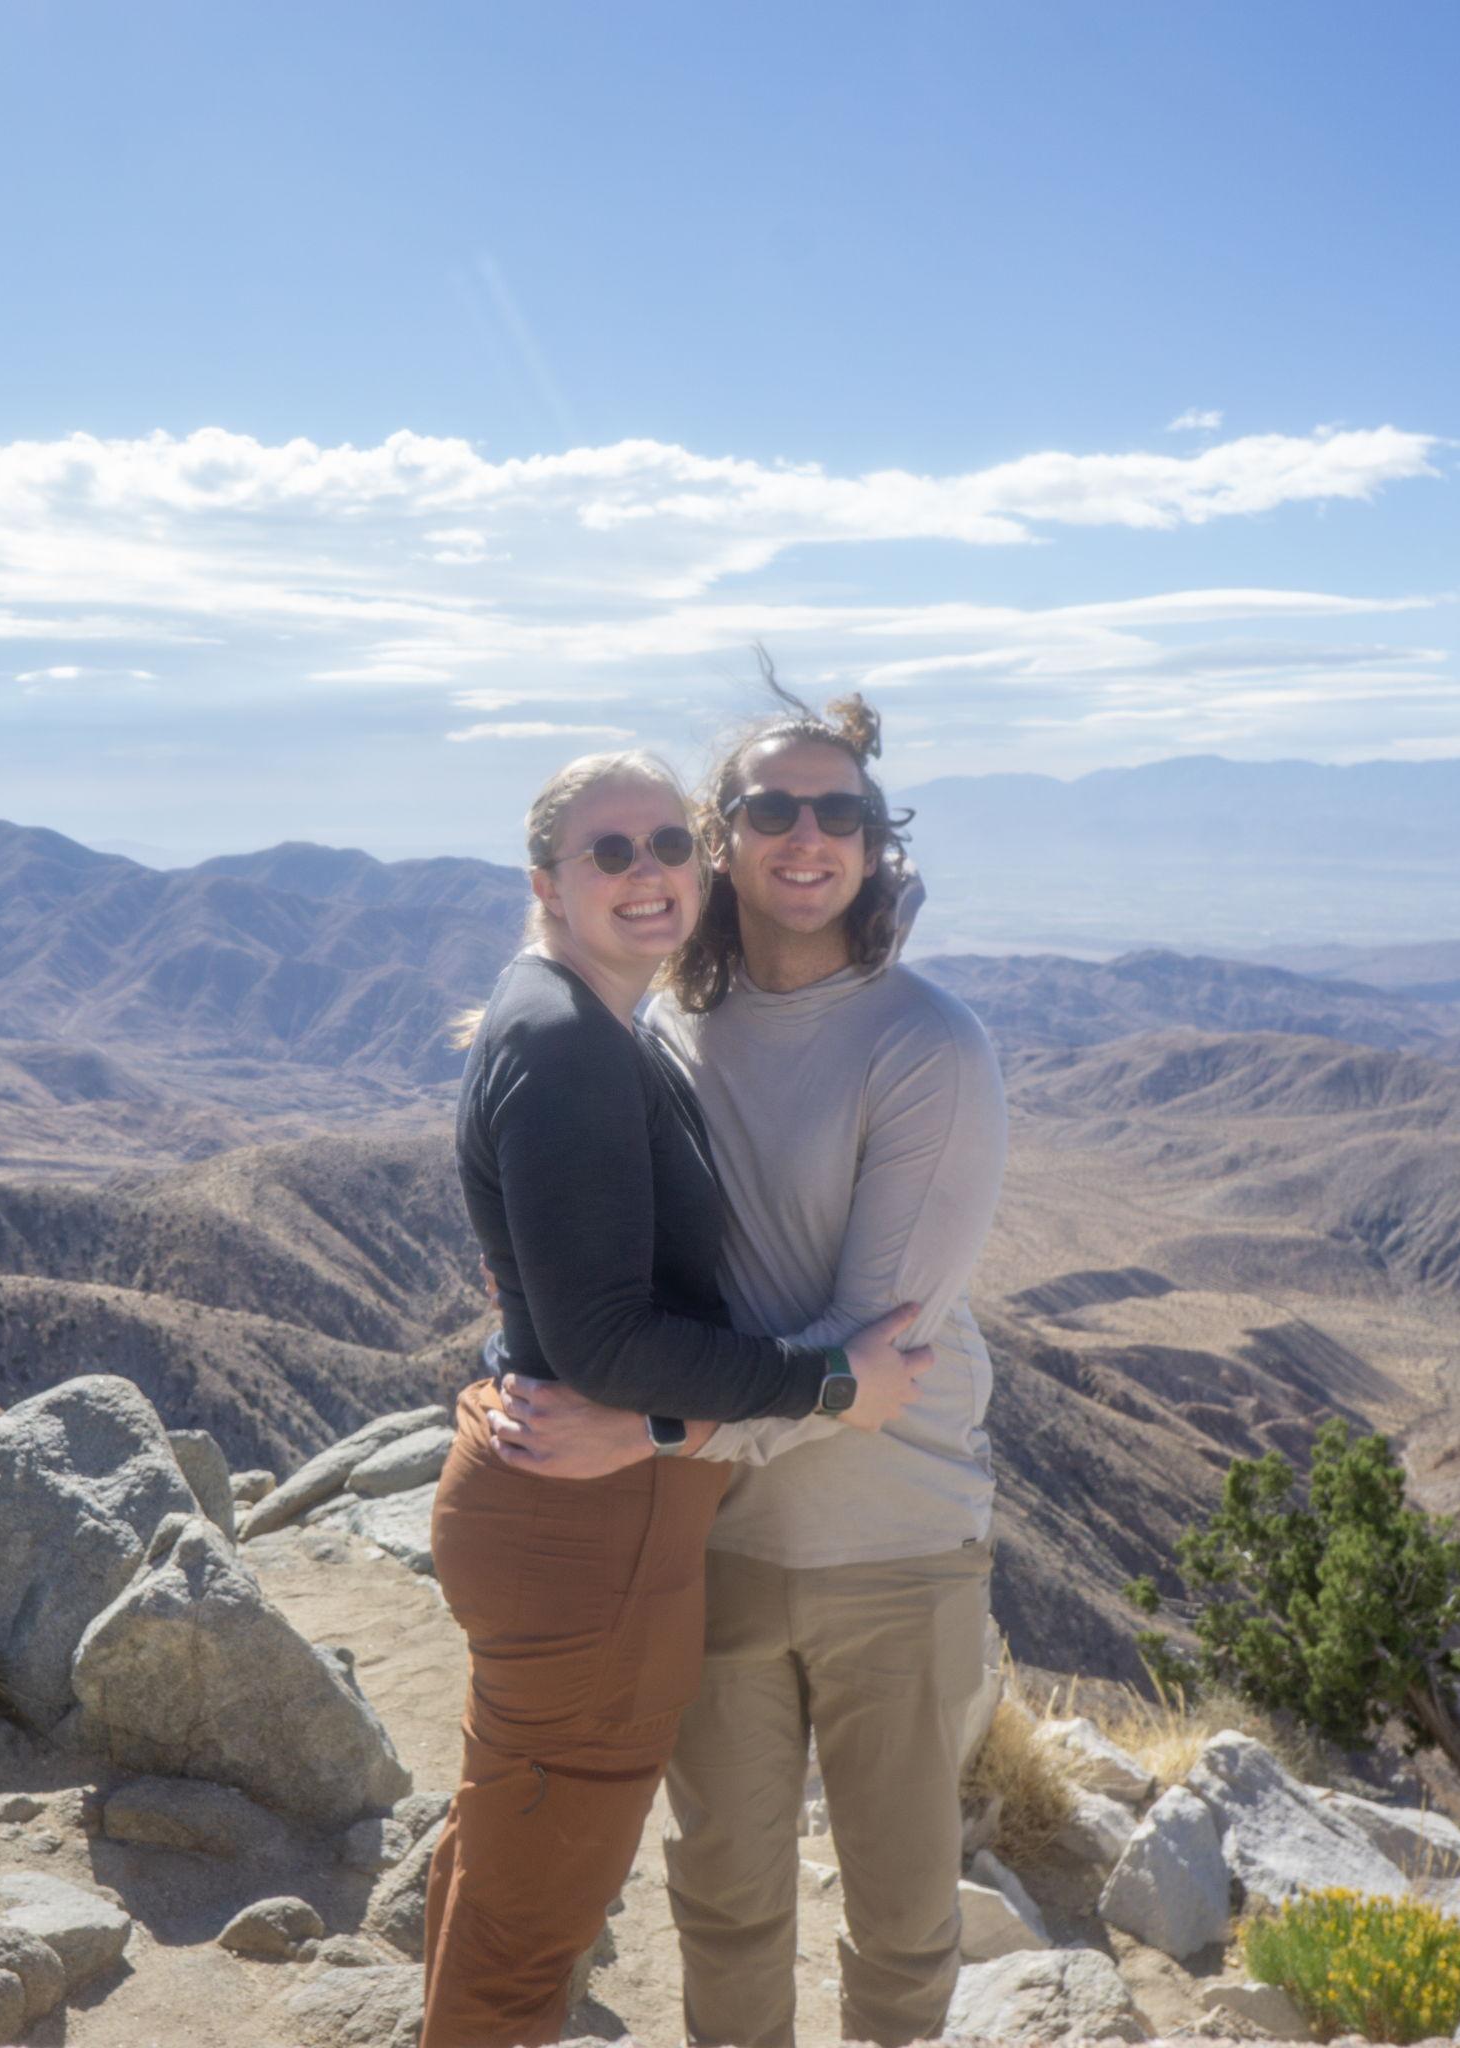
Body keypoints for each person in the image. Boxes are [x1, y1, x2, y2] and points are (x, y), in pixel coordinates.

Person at [490, 680, 1007, 2048]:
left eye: (842, 811)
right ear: (722, 838)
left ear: (877, 844)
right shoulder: (664, 1030)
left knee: (902, 1919)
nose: (806, 835)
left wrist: (653, 1435)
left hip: (891, 1542)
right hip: (712, 1544)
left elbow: (871, 1354)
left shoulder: (927, 1046)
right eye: (771, 807)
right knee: (721, 1896)